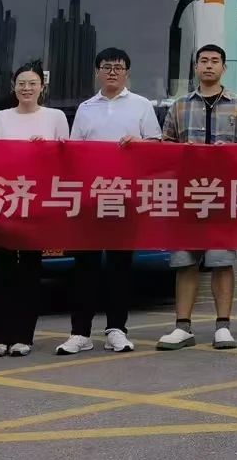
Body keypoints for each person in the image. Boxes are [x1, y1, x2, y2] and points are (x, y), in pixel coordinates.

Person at [57, 47, 162, 355]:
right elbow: (74, 151)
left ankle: (117, 329)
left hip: (125, 196)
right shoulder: (86, 108)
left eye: (118, 67)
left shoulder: (141, 105)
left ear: (127, 73)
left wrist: (138, 143)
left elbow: (156, 145)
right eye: (106, 67)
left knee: (119, 265)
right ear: (97, 72)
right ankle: (80, 332)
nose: (112, 72)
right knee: (84, 266)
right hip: (90, 197)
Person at [156, 44, 237, 352]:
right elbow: (165, 143)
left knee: (221, 261)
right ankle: (182, 327)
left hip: (223, 194)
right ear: (196, 67)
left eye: (215, 61)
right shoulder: (179, 105)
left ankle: (223, 326)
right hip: (188, 194)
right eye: (204, 61)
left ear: (224, 68)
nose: (209, 65)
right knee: (185, 261)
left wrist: (231, 152)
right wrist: (182, 152)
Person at [0, 61, 69, 357]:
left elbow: (66, 156)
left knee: (31, 269)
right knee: (2, 269)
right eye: (21, 83)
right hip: (4, 199)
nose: (27, 88)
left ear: (42, 87)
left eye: (32, 83)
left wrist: (47, 149)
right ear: (13, 87)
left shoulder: (55, 117)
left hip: (38, 200)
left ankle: (23, 337)